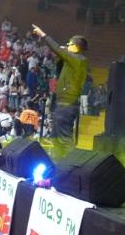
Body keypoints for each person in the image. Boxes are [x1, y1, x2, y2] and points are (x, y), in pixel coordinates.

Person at [31, 24, 88, 160]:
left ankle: (72, 164)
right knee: (56, 138)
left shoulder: (79, 60)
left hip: (67, 105)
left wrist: (42, 34)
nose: (67, 46)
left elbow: (56, 48)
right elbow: (58, 70)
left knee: (64, 138)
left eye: (70, 44)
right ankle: (57, 164)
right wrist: (60, 57)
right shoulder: (71, 62)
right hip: (62, 104)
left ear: (76, 46)